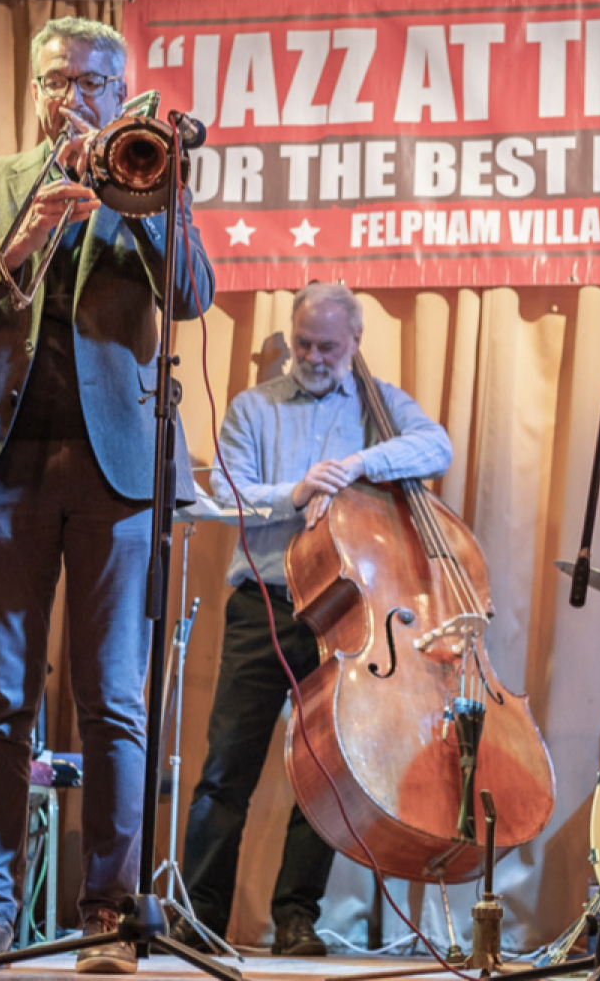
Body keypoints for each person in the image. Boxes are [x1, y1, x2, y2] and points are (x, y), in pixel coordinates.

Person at [0, 15, 215, 973]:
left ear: (119, 90)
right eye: (55, 81)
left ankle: (108, 916)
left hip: (114, 474)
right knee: (0, 700)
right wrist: (22, 238)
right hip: (2, 463)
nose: (70, 99)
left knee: (112, 703)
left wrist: (144, 201)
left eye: (90, 83)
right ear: (36, 87)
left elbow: (195, 296)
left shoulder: (145, 169)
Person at [176, 282, 452, 957]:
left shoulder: (379, 405)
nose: (312, 355)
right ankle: (200, 917)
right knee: (225, 772)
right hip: (263, 603)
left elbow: (435, 447)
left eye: (327, 345)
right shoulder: (253, 406)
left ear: (354, 343)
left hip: (344, 615)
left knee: (326, 775)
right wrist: (293, 492)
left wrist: (359, 464)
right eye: (302, 342)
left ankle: (297, 918)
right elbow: (227, 492)